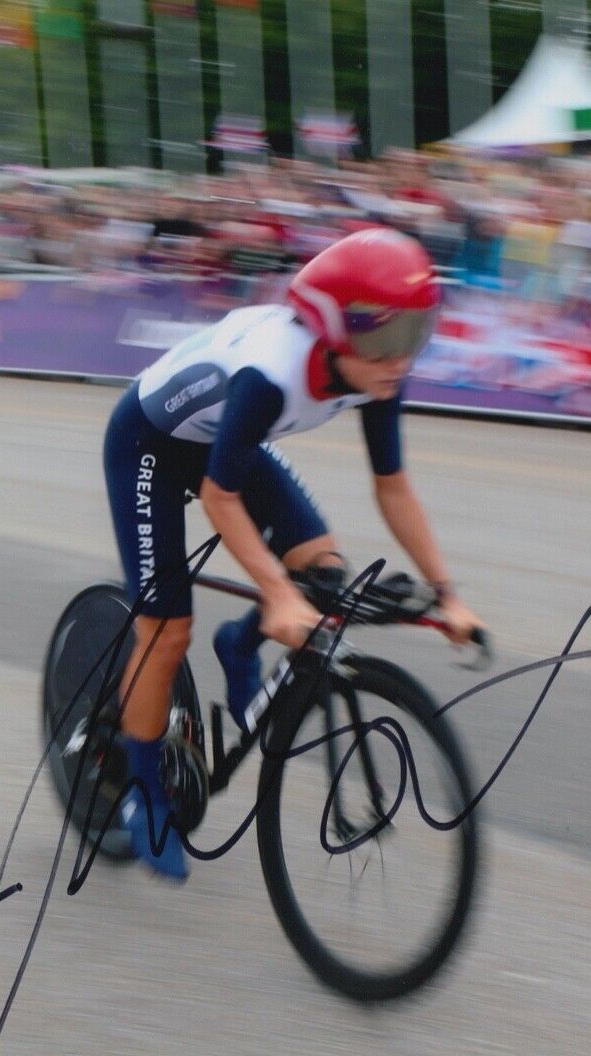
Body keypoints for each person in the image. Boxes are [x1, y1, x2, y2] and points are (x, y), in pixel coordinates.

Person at [101, 228, 486, 882]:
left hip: (227, 440)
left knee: (323, 571)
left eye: (417, 335)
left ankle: (241, 644)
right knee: (165, 632)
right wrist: (275, 593)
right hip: (150, 445)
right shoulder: (273, 373)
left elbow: (392, 485)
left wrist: (445, 589)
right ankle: (144, 792)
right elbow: (222, 500)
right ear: (337, 330)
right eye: (388, 341)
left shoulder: (377, 372)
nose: (402, 358)